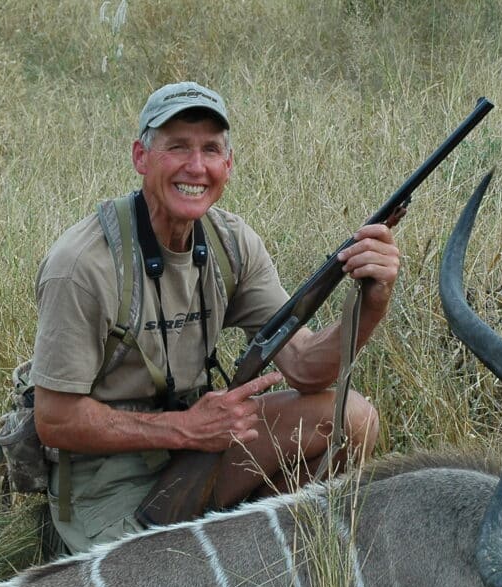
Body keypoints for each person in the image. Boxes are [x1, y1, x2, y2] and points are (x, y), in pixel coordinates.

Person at [29, 81, 400, 556]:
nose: (196, 167)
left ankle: (261, 564)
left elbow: (308, 366)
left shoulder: (230, 243)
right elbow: (55, 420)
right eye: (177, 147)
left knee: (353, 420)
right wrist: (186, 429)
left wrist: (371, 303)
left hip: (199, 445)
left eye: (210, 149)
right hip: (108, 482)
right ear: (141, 156)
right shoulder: (83, 265)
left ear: (228, 164)